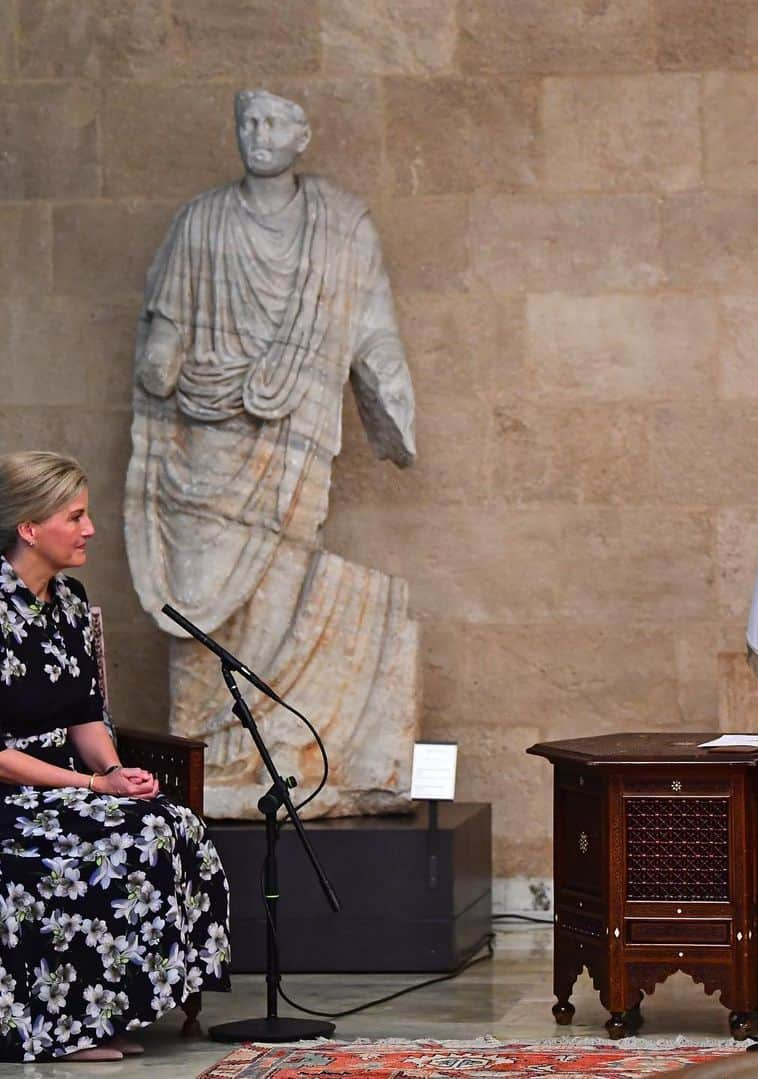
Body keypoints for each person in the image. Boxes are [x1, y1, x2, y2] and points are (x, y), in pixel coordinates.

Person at [124, 88, 418, 819]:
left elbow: (371, 321)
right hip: (206, 439)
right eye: (248, 122)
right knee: (194, 596)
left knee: (283, 581)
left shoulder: (342, 227)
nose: (259, 134)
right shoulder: (201, 221)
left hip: (295, 434)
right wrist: (159, 359)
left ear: (303, 135)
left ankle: (268, 746)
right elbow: (164, 322)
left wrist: (391, 400)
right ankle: (196, 750)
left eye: (276, 122)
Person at [0, 451, 230, 1062]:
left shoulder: (70, 601)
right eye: (75, 516)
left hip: (69, 784)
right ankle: (58, 1029)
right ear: (29, 528)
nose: (90, 528)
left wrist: (109, 771)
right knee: (105, 846)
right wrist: (88, 788)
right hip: (12, 793)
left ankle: (114, 1007)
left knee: (169, 824)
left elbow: (85, 712)